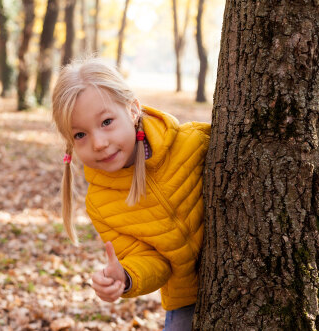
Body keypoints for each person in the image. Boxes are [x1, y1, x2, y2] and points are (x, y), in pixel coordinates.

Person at [51, 57, 210, 331]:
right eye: (80, 135)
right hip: (187, 299)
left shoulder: (194, 142)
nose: (99, 143)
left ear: (133, 110)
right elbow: (153, 260)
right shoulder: (101, 203)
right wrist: (126, 276)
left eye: (107, 121)